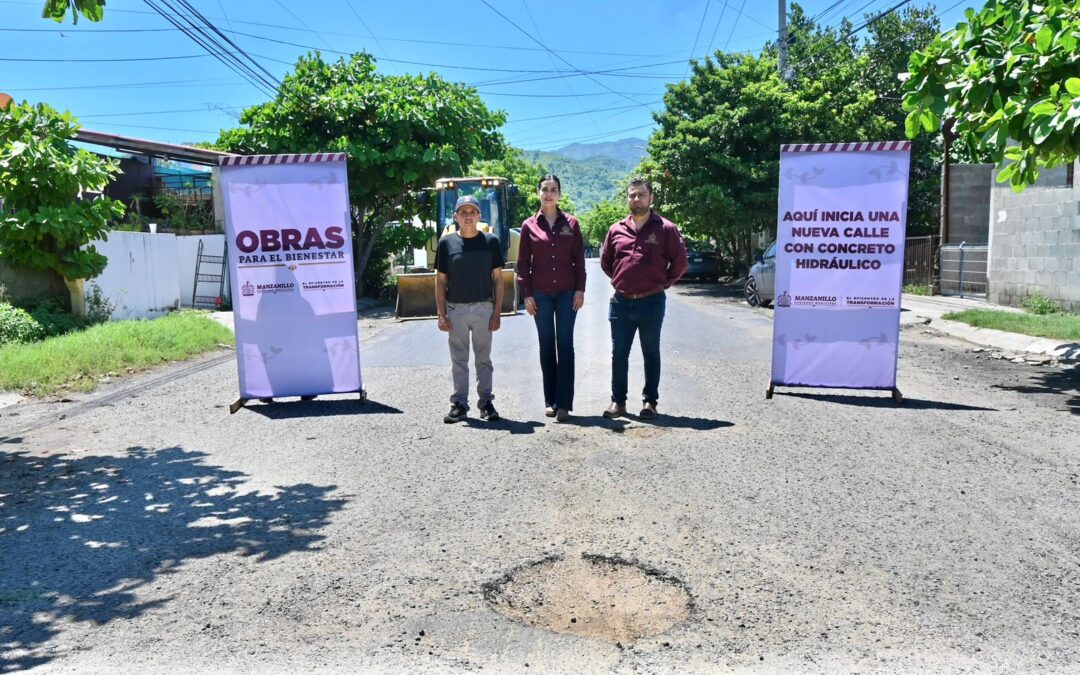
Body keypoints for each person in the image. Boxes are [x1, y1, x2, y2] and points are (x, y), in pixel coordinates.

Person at [600, 178, 688, 419]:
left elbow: (680, 263)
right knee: (619, 353)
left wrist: (663, 283)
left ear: (651, 198)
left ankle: (650, 402)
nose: (636, 199)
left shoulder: (666, 229)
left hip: (652, 301)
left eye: (641, 195)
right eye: (632, 195)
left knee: (650, 351)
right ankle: (618, 402)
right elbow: (606, 262)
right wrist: (621, 279)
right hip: (621, 301)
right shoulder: (616, 229)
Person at [517, 174, 586, 422]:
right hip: (541, 294)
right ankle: (551, 401)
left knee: (565, 345)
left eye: (553, 189)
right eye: (545, 189)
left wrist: (580, 290)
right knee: (547, 345)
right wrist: (527, 295)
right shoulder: (528, 226)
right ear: (538, 193)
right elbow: (523, 264)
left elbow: (579, 261)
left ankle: (565, 403)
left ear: (560, 194)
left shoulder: (572, 224)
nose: (549, 194)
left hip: (568, 293)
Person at [435, 195, 505, 423]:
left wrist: (496, 312)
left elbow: (498, 279)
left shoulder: (491, 242)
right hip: (455, 309)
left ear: (479, 216)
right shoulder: (446, 244)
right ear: (455, 216)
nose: (467, 216)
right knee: (459, 360)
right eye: (462, 212)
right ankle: (459, 404)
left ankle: (486, 403)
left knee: (483, 359)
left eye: (471, 211)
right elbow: (440, 281)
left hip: (484, 308)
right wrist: (441, 313)